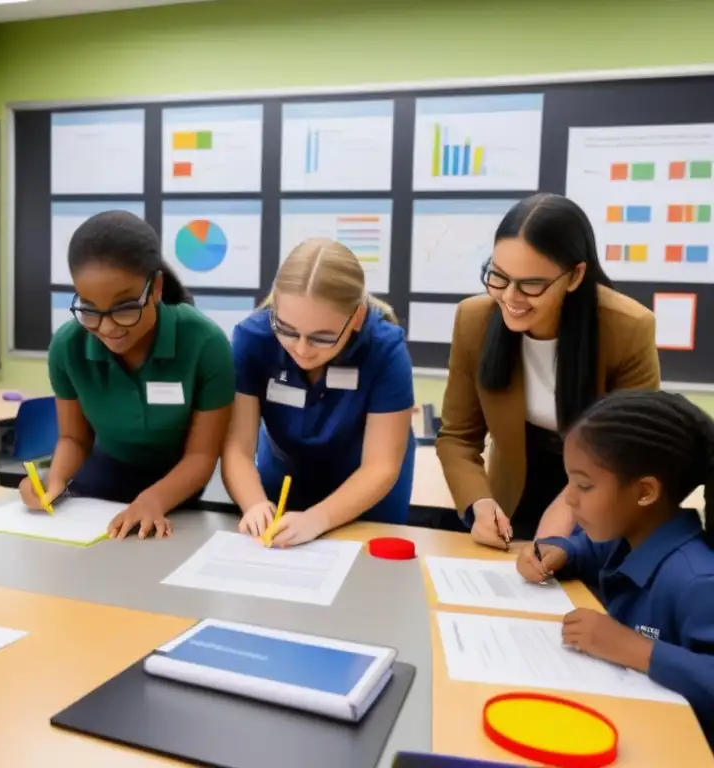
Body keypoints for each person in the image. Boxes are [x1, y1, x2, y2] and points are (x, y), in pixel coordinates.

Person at [436, 192, 660, 549]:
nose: (510, 297)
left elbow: (634, 447)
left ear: (574, 276)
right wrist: (479, 504)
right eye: (498, 276)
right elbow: (458, 437)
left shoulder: (627, 328)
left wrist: (569, 506)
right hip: (514, 499)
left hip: (605, 496)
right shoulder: (474, 321)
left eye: (531, 284)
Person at [517, 390, 714, 747]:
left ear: (645, 492)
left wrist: (632, 647)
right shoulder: (625, 536)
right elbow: (585, 549)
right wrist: (557, 552)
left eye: (584, 485)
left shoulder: (697, 581)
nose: (570, 499)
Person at [21, 210, 234, 539]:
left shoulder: (205, 343)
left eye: (124, 308)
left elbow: (202, 455)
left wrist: (153, 500)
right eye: (89, 309)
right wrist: (54, 478)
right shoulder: (67, 347)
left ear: (157, 288)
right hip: (98, 488)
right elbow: (74, 438)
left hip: (177, 492)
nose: (106, 327)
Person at [221, 238, 415, 547]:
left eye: (322, 337)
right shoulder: (252, 339)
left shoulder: (384, 349)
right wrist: (254, 504)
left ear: (357, 319)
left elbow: (381, 465)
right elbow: (237, 448)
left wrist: (318, 519)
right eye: (286, 329)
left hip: (367, 490)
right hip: (283, 476)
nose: (301, 349)